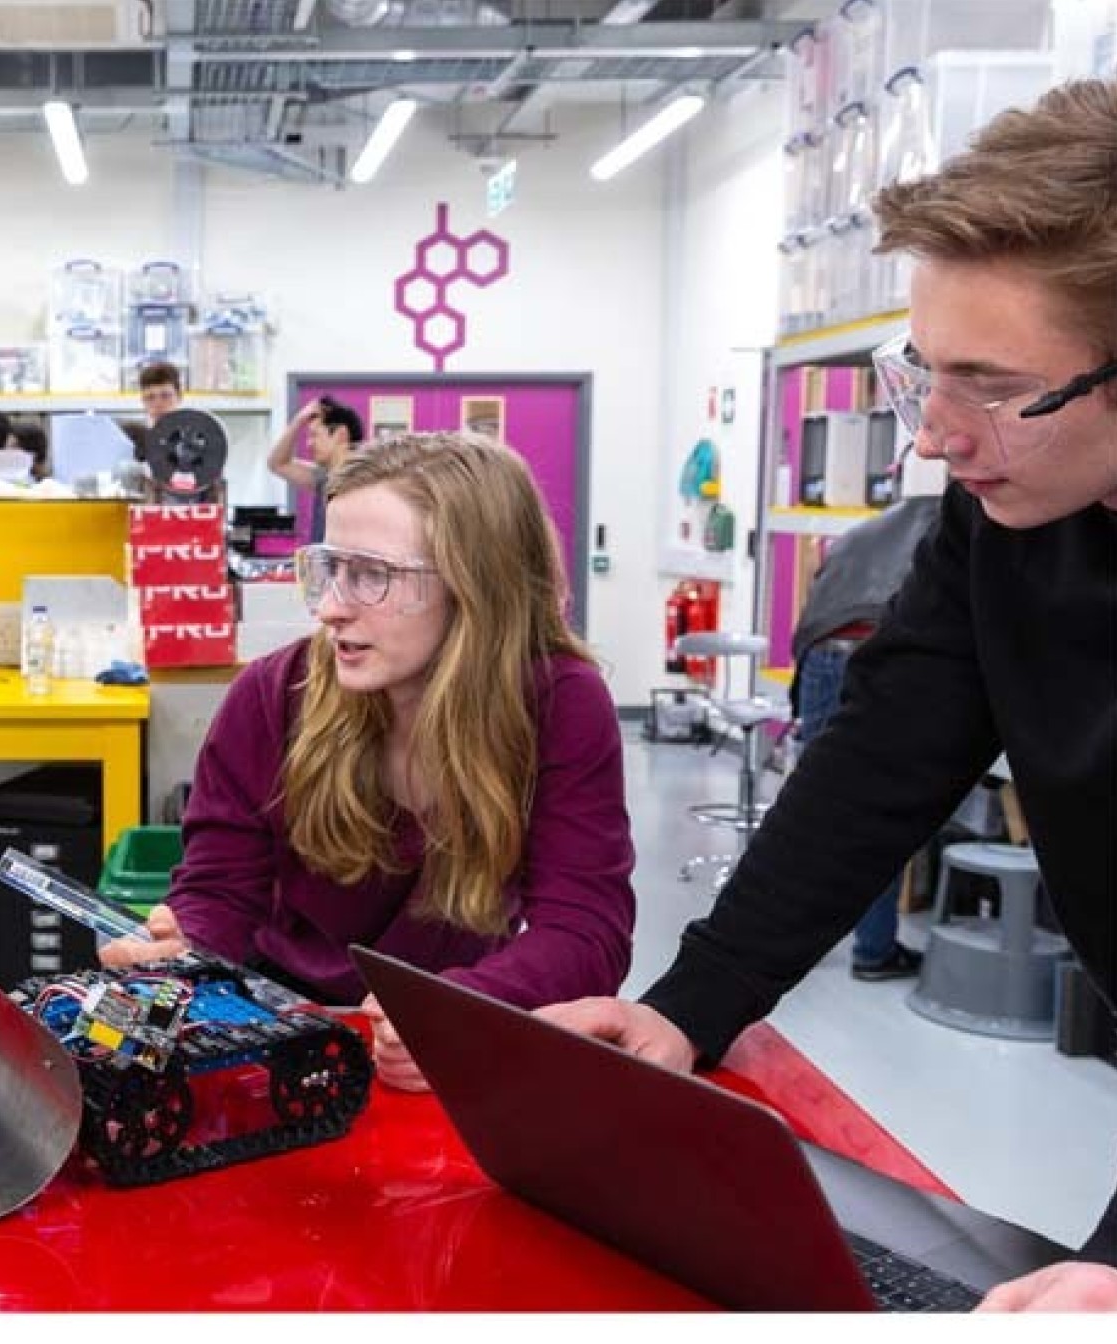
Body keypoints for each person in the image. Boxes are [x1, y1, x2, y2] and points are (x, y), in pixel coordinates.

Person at [539, 80, 1117, 1312]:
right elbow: (877, 760)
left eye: (994, 387)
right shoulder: (1003, 521)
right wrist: (687, 1009)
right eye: (925, 378)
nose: (933, 439)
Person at [102, 432, 636, 1093]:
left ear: (476, 585)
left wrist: (455, 1007)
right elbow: (218, 893)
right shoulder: (272, 695)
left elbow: (586, 931)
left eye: (372, 575)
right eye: (328, 568)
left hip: (450, 1037)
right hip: (279, 1032)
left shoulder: (559, 704)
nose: (330, 607)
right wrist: (180, 952)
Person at [788, 489, 942, 981]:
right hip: (875, 655)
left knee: (816, 807)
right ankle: (874, 950)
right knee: (878, 812)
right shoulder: (963, 533)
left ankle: (791, 944)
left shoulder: (870, 528)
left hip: (821, 652)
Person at [266, 395, 365, 542]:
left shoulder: (365, 481)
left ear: (340, 434)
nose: (309, 444)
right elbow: (277, 463)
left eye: (314, 435)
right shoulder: (323, 477)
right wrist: (298, 420)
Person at [137, 359, 183, 424]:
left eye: (165, 396)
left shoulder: (198, 432)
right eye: (150, 397)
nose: (158, 404)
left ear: (179, 397)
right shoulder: (135, 433)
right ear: (143, 401)